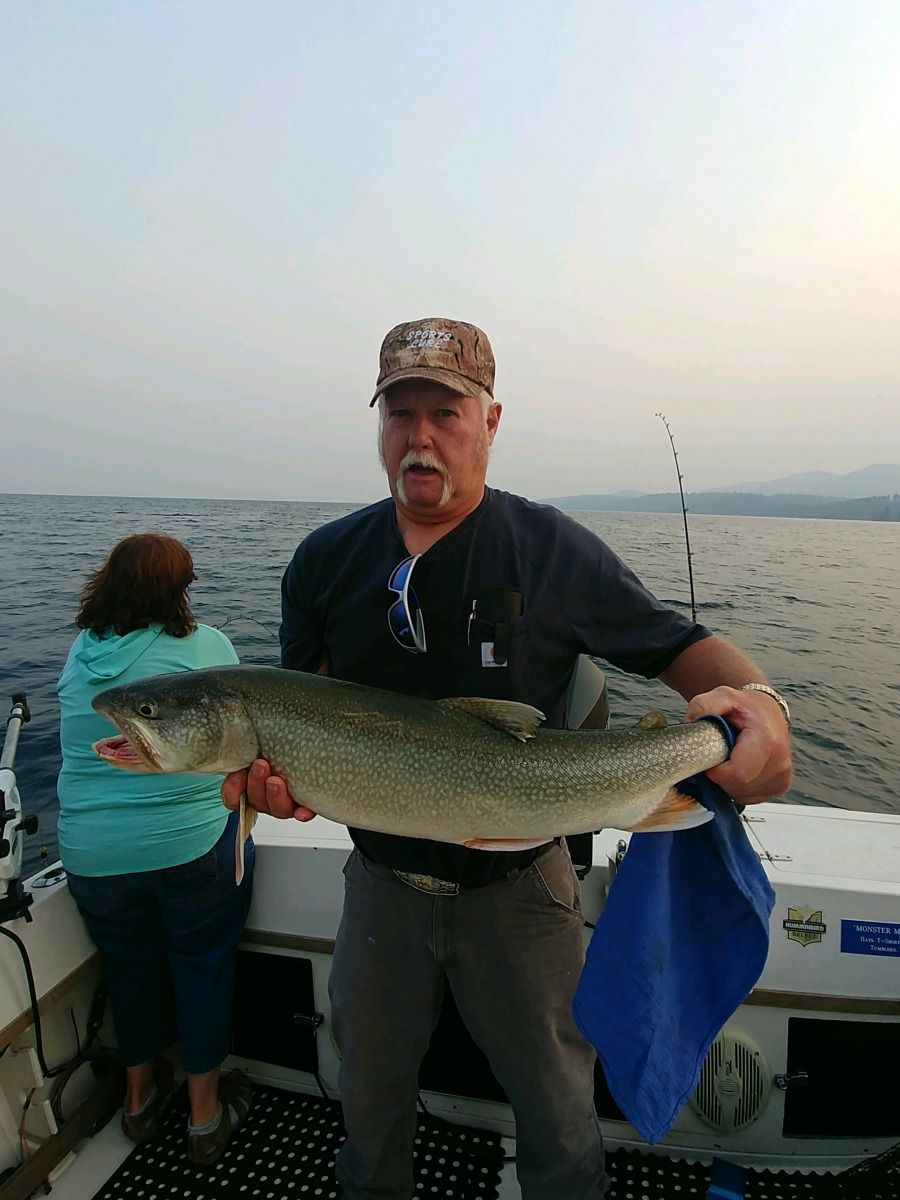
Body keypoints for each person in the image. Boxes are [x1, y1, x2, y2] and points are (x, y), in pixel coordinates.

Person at [222, 317, 792, 1200]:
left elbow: (687, 649)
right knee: (366, 1094)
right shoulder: (324, 561)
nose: (419, 435)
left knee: (559, 1107)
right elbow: (303, 714)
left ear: (489, 422)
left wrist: (763, 711)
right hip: (381, 884)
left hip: (526, 888)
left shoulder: (553, 550)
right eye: (399, 413)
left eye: (444, 411)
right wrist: (276, 789)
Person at [57, 532, 254, 1166]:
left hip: (89, 857)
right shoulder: (204, 648)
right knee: (202, 965)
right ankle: (203, 1116)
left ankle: (139, 1101)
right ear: (180, 589)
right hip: (188, 849)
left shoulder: (79, 655)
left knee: (130, 970)